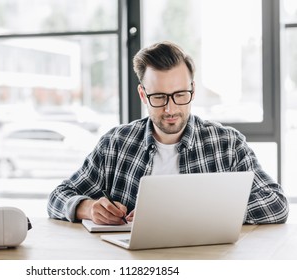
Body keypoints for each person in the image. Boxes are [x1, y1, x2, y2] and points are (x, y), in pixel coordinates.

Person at [47, 41, 289, 225]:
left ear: (192, 90)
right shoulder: (116, 144)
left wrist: (194, 214)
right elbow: (58, 197)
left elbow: (276, 203)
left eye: (180, 95)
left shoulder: (227, 144)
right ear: (143, 95)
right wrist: (87, 208)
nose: (171, 108)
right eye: (159, 97)